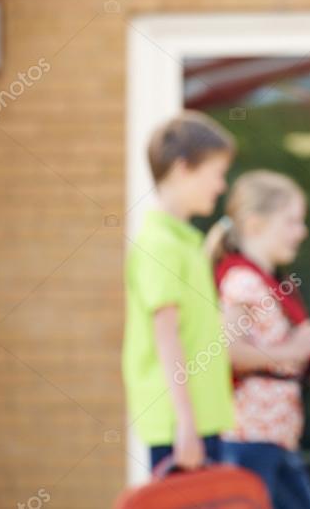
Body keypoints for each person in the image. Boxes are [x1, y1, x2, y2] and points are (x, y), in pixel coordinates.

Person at [204, 170, 310, 509]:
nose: (301, 232)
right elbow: (231, 351)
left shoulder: (266, 281)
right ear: (255, 224)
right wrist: (294, 349)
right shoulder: (242, 281)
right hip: (251, 438)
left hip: (277, 438)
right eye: (291, 222)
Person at [122, 111, 236, 470]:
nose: (221, 186)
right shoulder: (161, 245)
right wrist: (185, 423)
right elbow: (166, 336)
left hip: (198, 420)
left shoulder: (185, 243)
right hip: (181, 425)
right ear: (183, 167)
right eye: (216, 173)